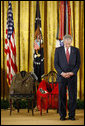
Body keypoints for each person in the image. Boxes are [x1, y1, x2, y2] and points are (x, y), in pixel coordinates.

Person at [54, 35, 81, 120]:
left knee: (72, 96)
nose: (67, 45)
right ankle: (62, 115)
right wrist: (62, 73)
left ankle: (72, 115)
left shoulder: (76, 50)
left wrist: (72, 72)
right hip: (62, 77)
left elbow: (78, 64)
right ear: (63, 42)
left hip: (72, 77)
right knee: (62, 96)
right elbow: (56, 64)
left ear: (71, 42)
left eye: (69, 43)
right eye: (66, 43)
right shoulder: (58, 50)